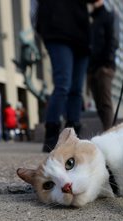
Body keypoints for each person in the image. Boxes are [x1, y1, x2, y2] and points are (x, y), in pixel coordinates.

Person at [34, 0, 97, 152]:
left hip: (81, 36)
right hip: (58, 30)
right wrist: (40, 27)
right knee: (63, 84)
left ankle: (72, 135)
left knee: (76, 90)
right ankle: (51, 135)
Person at [87, 0, 118, 131]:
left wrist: (106, 64)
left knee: (105, 103)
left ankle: (109, 134)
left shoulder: (110, 15)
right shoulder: (92, 20)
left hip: (104, 67)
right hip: (92, 68)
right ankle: (107, 131)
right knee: (99, 104)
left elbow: (113, 41)